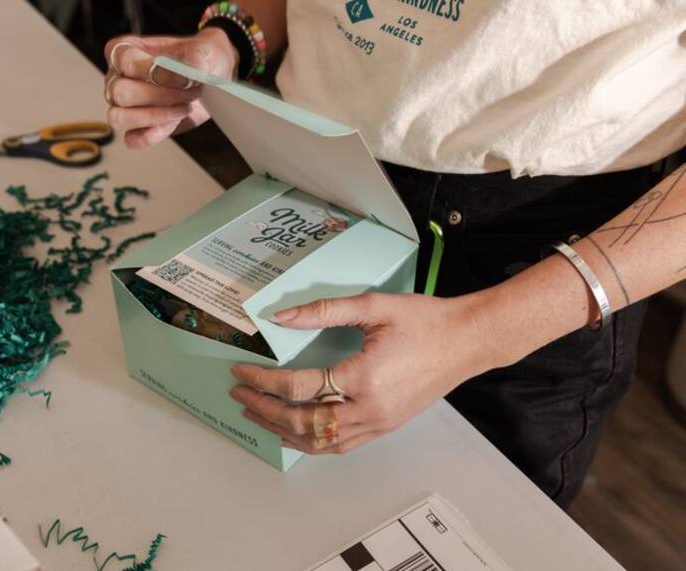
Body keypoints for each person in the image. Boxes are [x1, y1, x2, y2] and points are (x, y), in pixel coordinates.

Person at [102, 1, 686, 508]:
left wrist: (477, 334)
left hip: (535, 262)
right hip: (309, 172)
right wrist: (232, 37)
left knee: (457, 525)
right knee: (246, 491)